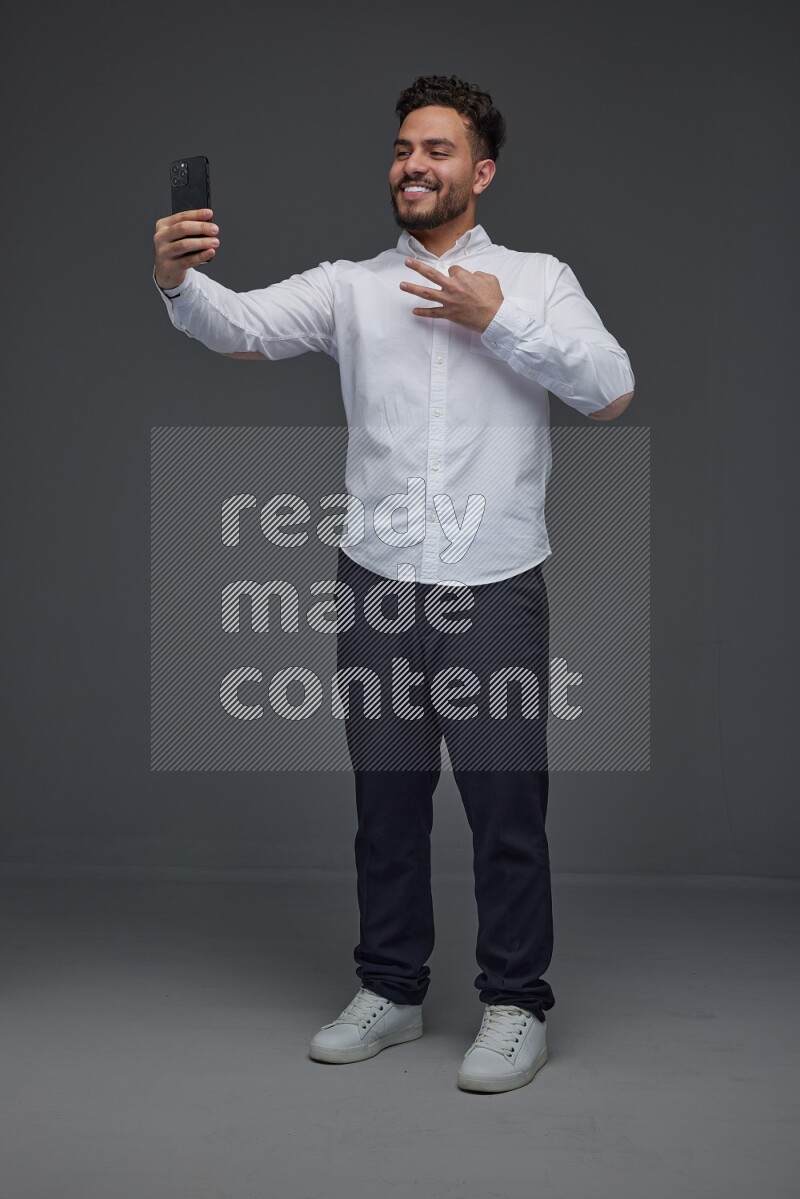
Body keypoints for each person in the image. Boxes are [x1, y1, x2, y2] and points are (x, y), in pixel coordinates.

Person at [152, 74, 635, 1094]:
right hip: (375, 585)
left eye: (439, 149)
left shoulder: (536, 278)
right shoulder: (351, 287)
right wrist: (176, 282)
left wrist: (493, 316)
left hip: (493, 585)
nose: (414, 164)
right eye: (404, 148)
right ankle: (392, 987)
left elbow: (607, 387)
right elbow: (235, 325)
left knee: (505, 803)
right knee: (387, 802)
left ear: (481, 169)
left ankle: (514, 1003)